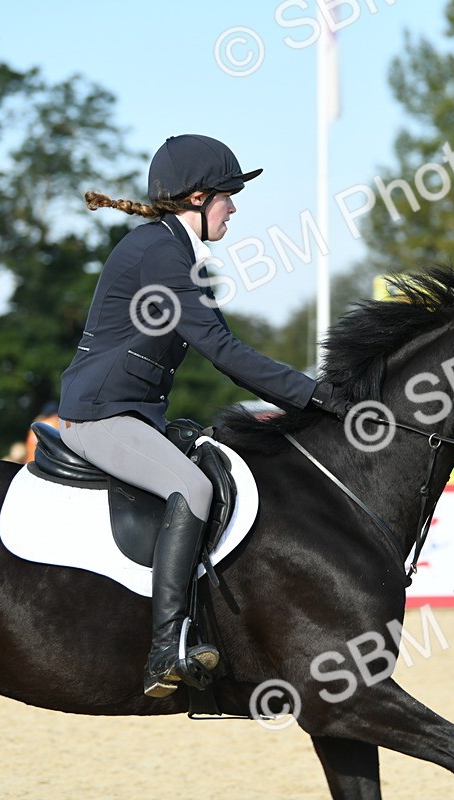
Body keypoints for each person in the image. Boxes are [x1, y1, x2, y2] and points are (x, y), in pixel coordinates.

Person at [58, 134, 347, 698]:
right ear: (196, 199)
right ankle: (166, 647)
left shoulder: (172, 249)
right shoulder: (162, 253)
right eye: (228, 197)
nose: (234, 208)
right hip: (99, 414)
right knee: (191, 487)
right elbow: (224, 352)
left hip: (136, 412)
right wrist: (314, 396)